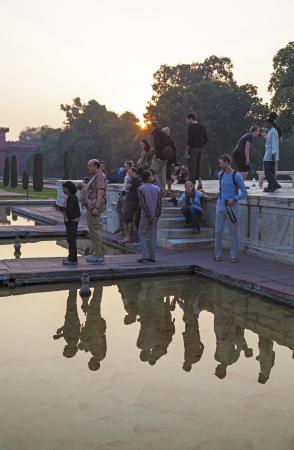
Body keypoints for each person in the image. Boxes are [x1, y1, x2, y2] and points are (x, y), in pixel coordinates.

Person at [214, 154, 247, 263]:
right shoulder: (220, 174)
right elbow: (222, 188)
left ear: (227, 163)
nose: (219, 165)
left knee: (233, 232)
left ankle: (233, 255)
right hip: (220, 205)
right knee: (218, 231)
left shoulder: (236, 176)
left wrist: (234, 199)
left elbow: (244, 192)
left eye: (221, 163)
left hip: (232, 207)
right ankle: (217, 254)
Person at [78, 159, 107, 263]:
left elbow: (100, 192)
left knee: (94, 230)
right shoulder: (96, 176)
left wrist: (97, 207)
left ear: (96, 166)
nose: (88, 167)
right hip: (93, 205)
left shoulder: (99, 176)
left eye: (90, 166)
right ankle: (98, 252)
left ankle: (98, 255)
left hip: (95, 205)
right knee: (95, 230)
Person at [52, 181, 81, 265]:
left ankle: (73, 260)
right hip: (69, 221)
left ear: (70, 189)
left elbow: (70, 210)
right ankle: (70, 257)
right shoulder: (69, 197)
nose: (63, 190)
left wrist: (59, 207)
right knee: (70, 239)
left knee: (72, 240)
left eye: (65, 189)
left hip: (72, 221)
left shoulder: (72, 197)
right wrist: (60, 208)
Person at [137, 170, 162, 262]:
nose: (152, 177)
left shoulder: (141, 189)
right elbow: (159, 204)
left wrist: (149, 215)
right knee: (152, 235)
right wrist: (155, 215)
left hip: (145, 215)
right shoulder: (157, 188)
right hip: (155, 215)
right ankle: (152, 256)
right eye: (151, 175)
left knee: (142, 233)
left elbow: (143, 204)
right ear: (148, 177)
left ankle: (145, 254)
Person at [184, 113, 208, 189]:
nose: (186, 121)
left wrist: (187, 151)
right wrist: (201, 145)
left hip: (193, 149)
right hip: (200, 149)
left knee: (192, 166)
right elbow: (206, 139)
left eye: (187, 119)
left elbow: (189, 140)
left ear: (191, 119)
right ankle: (200, 181)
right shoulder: (202, 127)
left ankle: (193, 185)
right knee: (198, 165)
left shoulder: (191, 127)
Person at [122, 167, 141, 243]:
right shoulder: (139, 180)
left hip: (131, 200)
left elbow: (126, 187)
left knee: (126, 219)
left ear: (134, 172)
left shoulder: (133, 179)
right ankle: (127, 236)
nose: (128, 174)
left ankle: (128, 236)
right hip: (134, 200)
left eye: (129, 172)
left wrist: (126, 181)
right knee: (128, 218)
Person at [114, 161, 133, 234]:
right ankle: (119, 225)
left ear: (130, 166)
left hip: (126, 194)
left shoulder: (131, 175)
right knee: (118, 209)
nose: (125, 168)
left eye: (126, 167)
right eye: (124, 167)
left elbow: (128, 186)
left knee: (125, 212)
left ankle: (126, 233)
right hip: (122, 192)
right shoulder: (127, 174)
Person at [262, 118, 280, 192]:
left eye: (267, 124)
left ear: (271, 123)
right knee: (271, 171)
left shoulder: (273, 131)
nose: (266, 125)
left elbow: (274, 143)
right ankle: (271, 186)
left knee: (266, 170)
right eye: (265, 124)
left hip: (270, 154)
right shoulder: (270, 132)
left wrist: (273, 154)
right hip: (269, 153)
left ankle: (274, 184)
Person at [150, 121, 169, 194]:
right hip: (165, 156)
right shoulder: (162, 133)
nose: (150, 129)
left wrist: (158, 156)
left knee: (153, 172)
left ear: (153, 126)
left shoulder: (156, 133)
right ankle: (163, 189)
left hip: (159, 156)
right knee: (162, 174)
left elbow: (157, 145)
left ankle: (160, 189)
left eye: (151, 127)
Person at [162, 127, 177, 196]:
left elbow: (174, 152)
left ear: (167, 133)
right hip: (166, 161)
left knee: (167, 176)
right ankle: (167, 190)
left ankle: (168, 191)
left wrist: (175, 163)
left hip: (167, 161)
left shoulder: (168, 141)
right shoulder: (167, 140)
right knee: (166, 176)